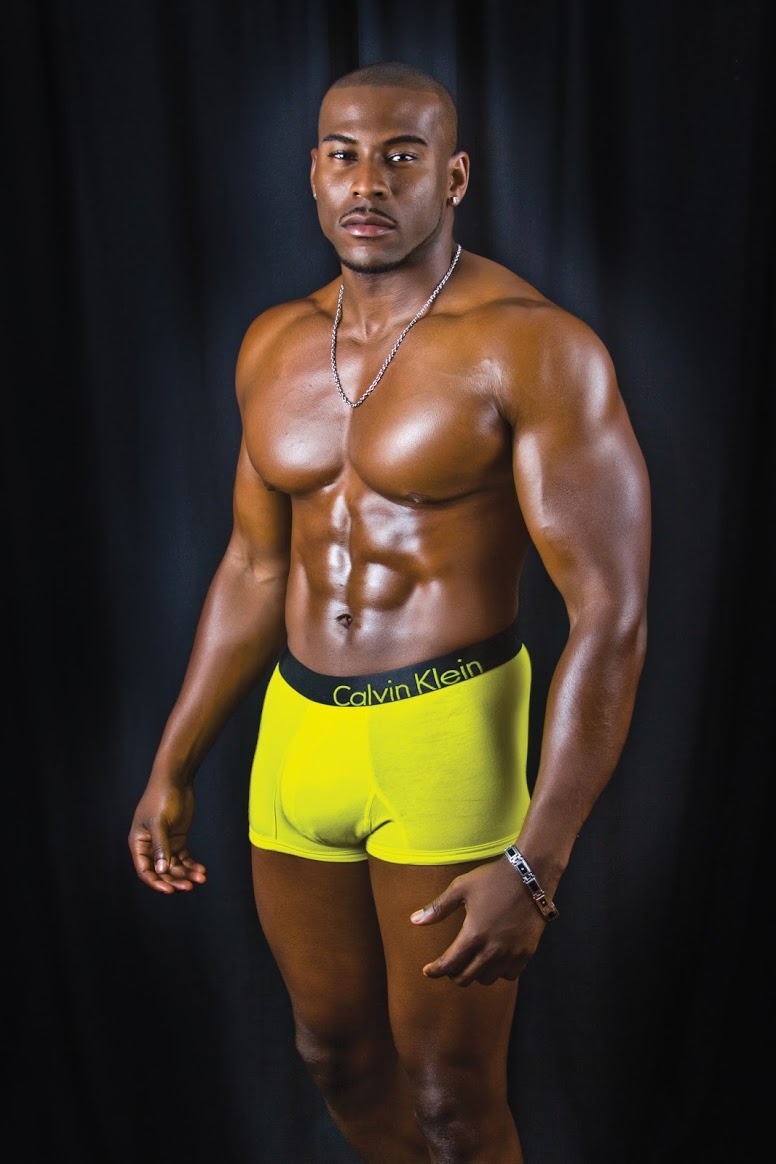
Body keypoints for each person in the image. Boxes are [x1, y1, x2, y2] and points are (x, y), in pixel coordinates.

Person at [128, 60, 651, 1164]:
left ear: (451, 178)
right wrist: (174, 761)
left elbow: (609, 613)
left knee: (453, 1096)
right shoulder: (273, 343)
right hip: (297, 735)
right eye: (343, 156)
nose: (368, 183)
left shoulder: (531, 344)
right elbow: (253, 568)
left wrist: (537, 862)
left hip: (443, 729)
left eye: (400, 158)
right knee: (334, 1056)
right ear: (313, 175)